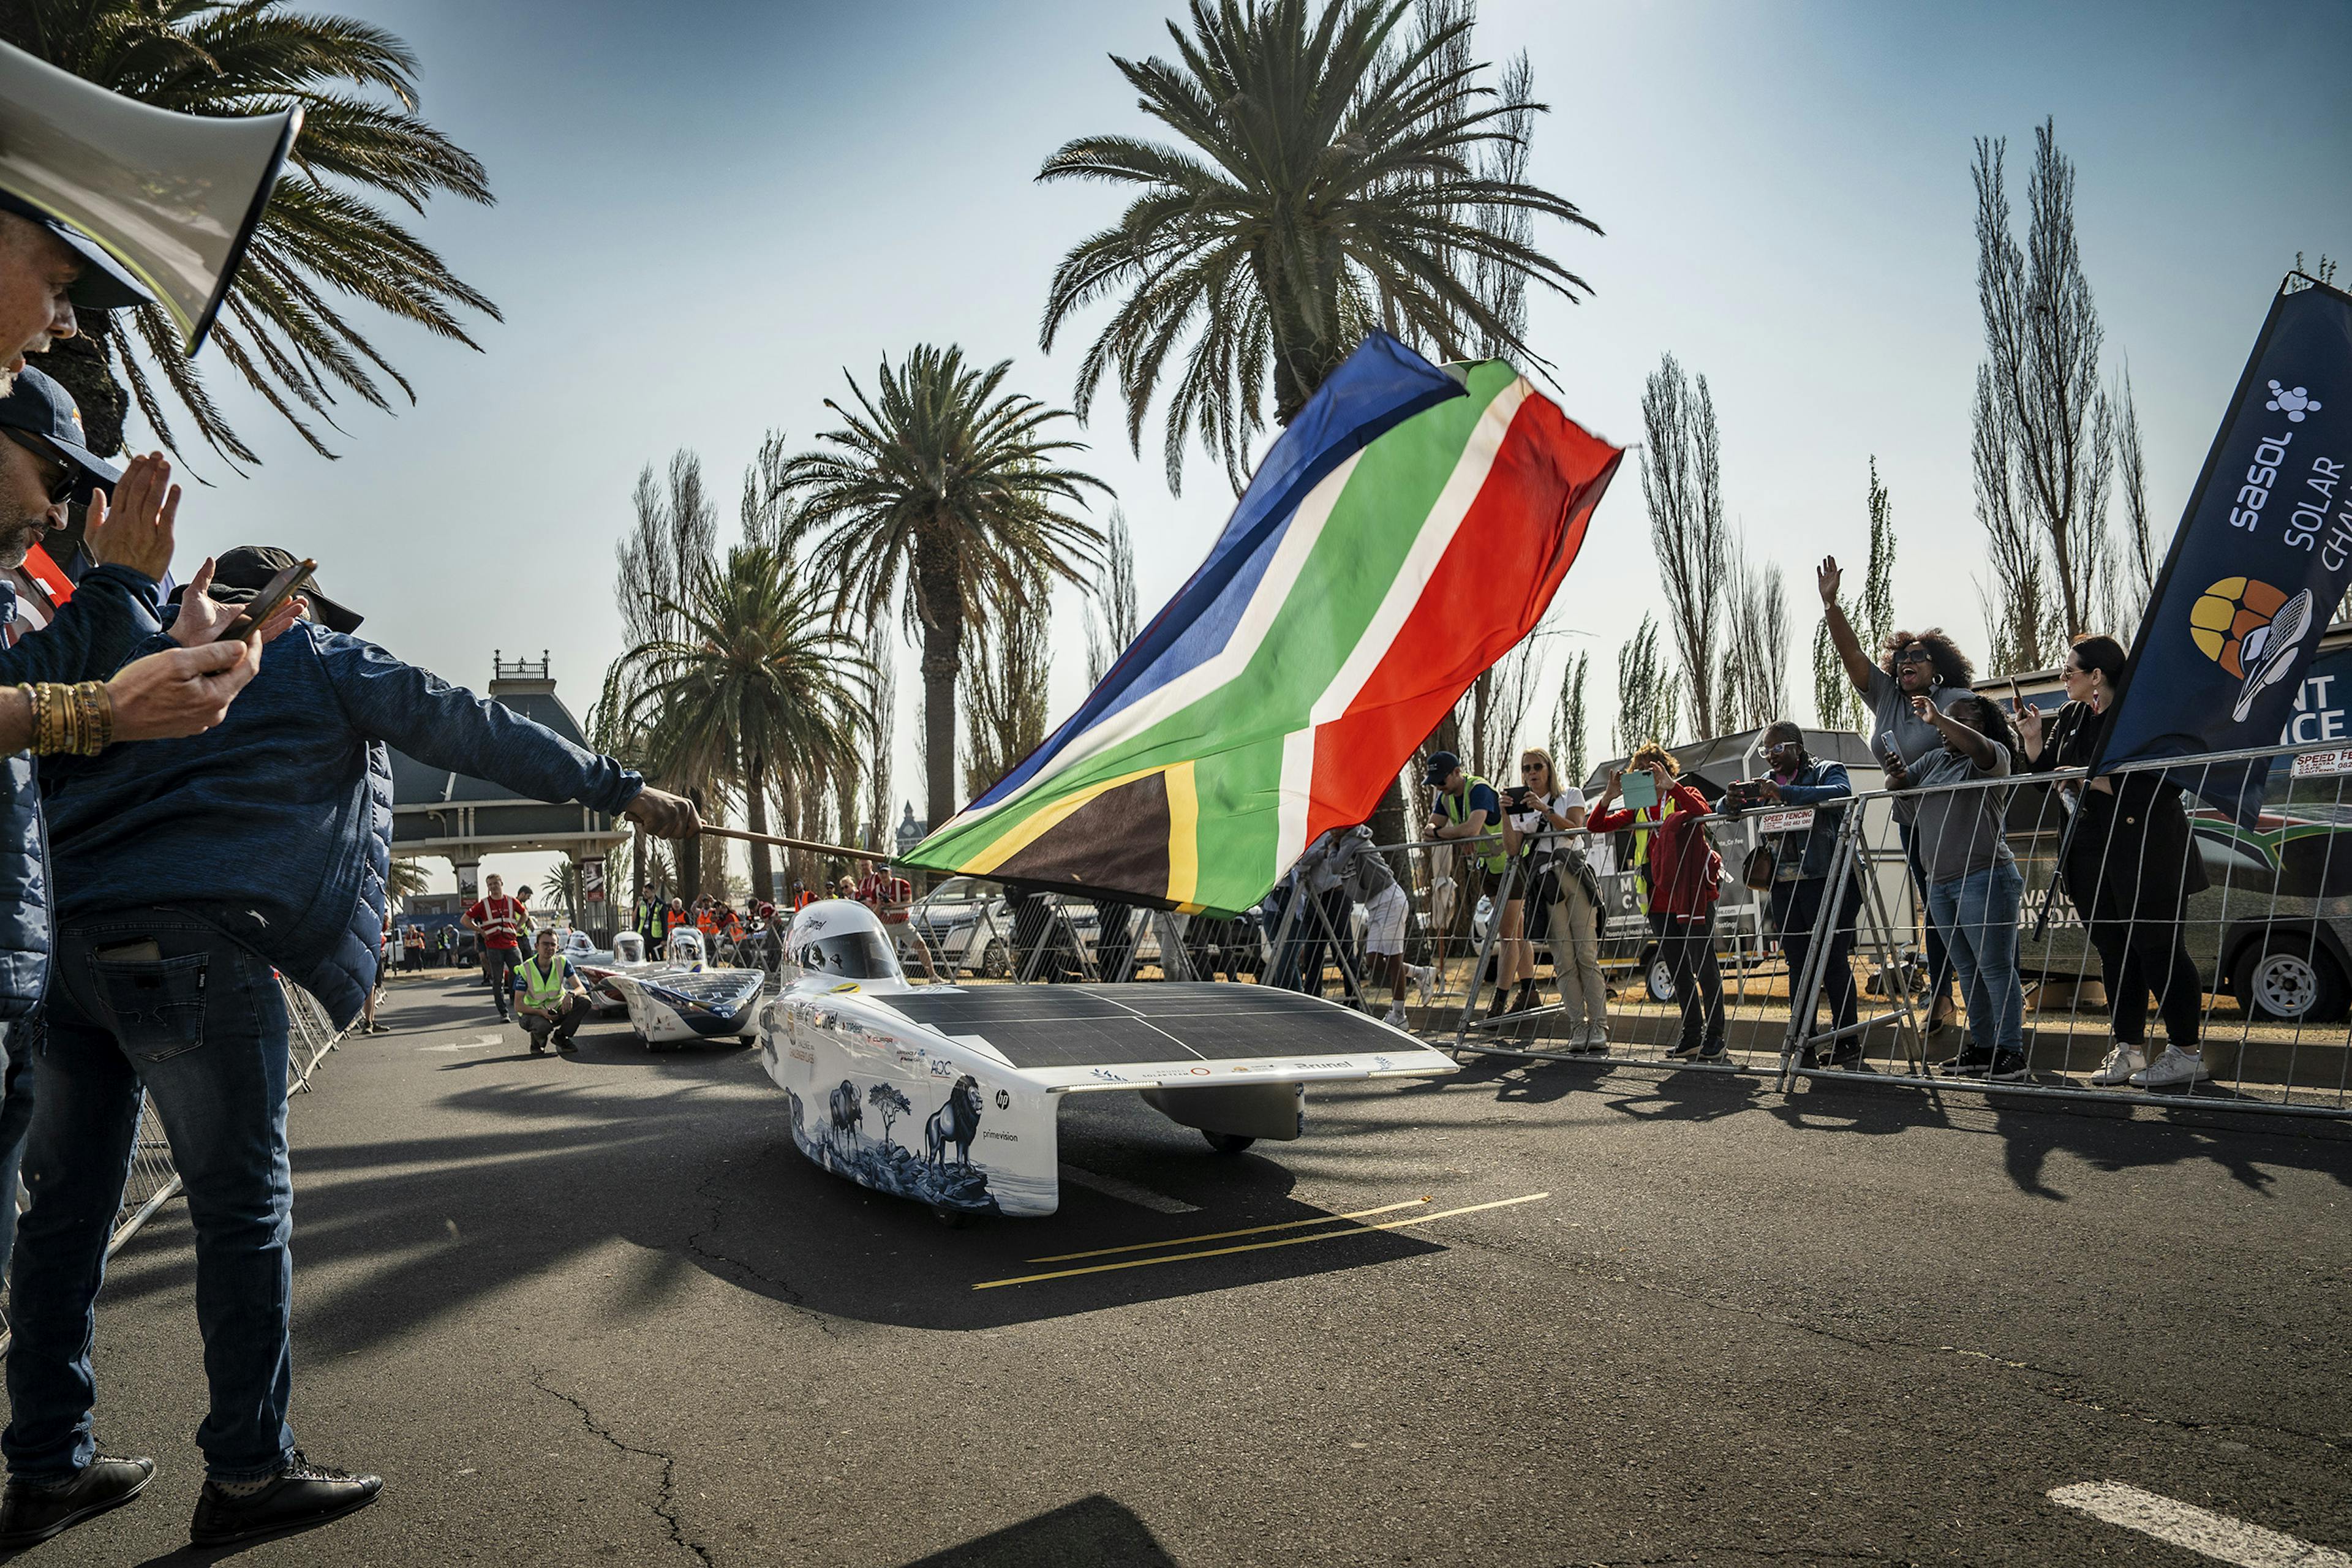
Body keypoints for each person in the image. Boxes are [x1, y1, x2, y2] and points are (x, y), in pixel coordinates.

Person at [8, 546, 699, 1548]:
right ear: (295, 602)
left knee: (63, 1217)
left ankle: (45, 1467)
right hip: (195, 943)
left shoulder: (122, 647)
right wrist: (624, 792)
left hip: (69, 956)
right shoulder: (318, 655)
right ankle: (248, 1472)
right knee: (242, 1209)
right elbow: (472, 722)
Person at [2018, 634, 2211, 1090]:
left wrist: (2090, 782)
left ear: (2097, 675)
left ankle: (2186, 1051)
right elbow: (2049, 783)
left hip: (2147, 852)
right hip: (2087, 855)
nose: (2063, 679)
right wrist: (2032, 743)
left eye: (2069, 672)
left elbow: (2165, 783)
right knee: (2116, 952)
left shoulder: (2140, 714)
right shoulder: (2069, 716)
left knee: (2159, 950)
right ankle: (2129, 1050)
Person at [1817, 558, 1973, 1038]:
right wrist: (1831, 605)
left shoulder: (1956, 700)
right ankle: (1944, 995)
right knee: (1936, 911)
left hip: (1957, 825)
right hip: (1913, 825)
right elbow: (1851, 658)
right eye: (1902, 658)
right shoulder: (1886, 696)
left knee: (1966, 911)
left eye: (1919, 657)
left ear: (1938, 668)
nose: (1908, 662)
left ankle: (1982, 1006)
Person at [1891, 694, 2026, 1080]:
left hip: (1984, 877)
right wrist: (1896, 774)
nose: (1946, 727)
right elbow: (1899, 789)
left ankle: (2011, 1051)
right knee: (1968, 970)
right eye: (1946, 720)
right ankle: (1983, 1046)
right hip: (1939, 882)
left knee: (1996, 968)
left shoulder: (1992, 754)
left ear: (1981, 727)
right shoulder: (1936, 761)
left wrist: (1939, 720)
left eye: (1960, 721)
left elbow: (1983, 751)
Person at [1588, 744, 1726, 1061]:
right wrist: (1609, 796)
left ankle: (1716, 1036)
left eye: (1652, 771)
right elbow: (1597, 826)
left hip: (1691, 894)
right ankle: (1692, 1034)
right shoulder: (1638, 808)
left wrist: (1672, 787)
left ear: (1666, 769)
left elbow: (1703, 813)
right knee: (1678, 969)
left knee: (1705, 966)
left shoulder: (1684, 791)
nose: (1647, 778)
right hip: (1658, 899)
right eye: (1640, 773)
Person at [1738, 723, 1862, 1068]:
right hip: (1785, 884)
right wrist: (1729, 801)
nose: (1772, 758)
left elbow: (1840, 792)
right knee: (1798, 964)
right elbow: (1726, 807)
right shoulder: (1766, 782)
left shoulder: (1826, 770)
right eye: (1766, 751)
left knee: (1832, 960)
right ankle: (1802, 1041)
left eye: (1778, 750)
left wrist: (1786, 795)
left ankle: (1846, 1039)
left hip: (1829, 878)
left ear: (1798, 747)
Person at [1507, 748, 1606, 1052]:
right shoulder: (1521, 808)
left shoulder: (1570, 795)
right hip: (1545, 884)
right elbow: (1512, 849)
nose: (1532, 773)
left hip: (1573, 875)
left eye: (1538, 767)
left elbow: (1576, 830)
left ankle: (1599, 1027)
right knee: (1563, 961)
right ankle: (1578, 1027)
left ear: (1549, 769)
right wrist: (1504, 812)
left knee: (1585, 955)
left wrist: (1545, 809)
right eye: (1526, 769)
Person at [1423, 750, 1505, 995]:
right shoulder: (1445, 797)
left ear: (1457, 772)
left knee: (1511, 934)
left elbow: (1471, 828)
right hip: (1489, 867)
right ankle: (1523, 989)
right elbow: (1429, 827)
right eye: (1434, 782)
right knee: (1510, 934)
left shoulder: (1478, 789)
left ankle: (1505, 993)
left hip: (1510, 863)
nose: (1439, 787)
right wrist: (1447, 832)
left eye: (1442, 780)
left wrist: (1442, 833)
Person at [512, 927, 590, 1057]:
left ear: (558, 947)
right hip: (533, 1014)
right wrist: (540, 1012)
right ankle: (537, 1041)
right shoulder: (526, 969)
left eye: (553, 944)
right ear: (536, 946)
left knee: (584, 1001)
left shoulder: (562, 962)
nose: (549, 947)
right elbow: (518, 1005)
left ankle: (561, 1037)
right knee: (543, 1027)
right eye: (545, 944)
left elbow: (581, 988)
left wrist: (570, 995)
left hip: (556, 1009)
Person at [462, 872, 529, 1022]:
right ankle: (503, 1012)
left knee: (519, 974)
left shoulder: (511, 901)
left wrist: (518, 927)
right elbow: (465, 920)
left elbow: (525, 914)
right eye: (490, 885)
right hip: (493, 947)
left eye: (495, 883)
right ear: (488, 887)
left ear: (501, 884)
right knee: (498, 980)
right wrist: (480, 931)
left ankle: (517, 1001)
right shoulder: (483, 904)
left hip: (512, 944)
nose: (493, 887)